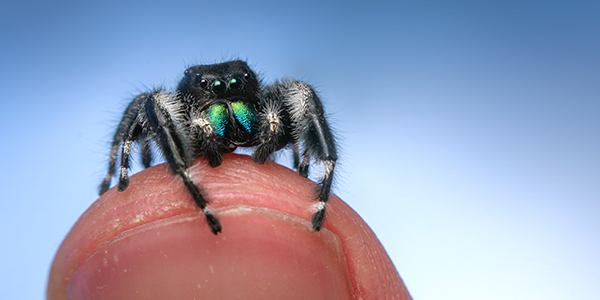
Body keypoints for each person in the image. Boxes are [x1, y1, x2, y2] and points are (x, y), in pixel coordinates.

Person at [47, 154, 412, 299]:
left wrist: (311, 170)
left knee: (301, 91)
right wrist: (122, 169)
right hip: (187, 168)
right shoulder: (172, 108)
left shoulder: (269, 104)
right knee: (150, 101)